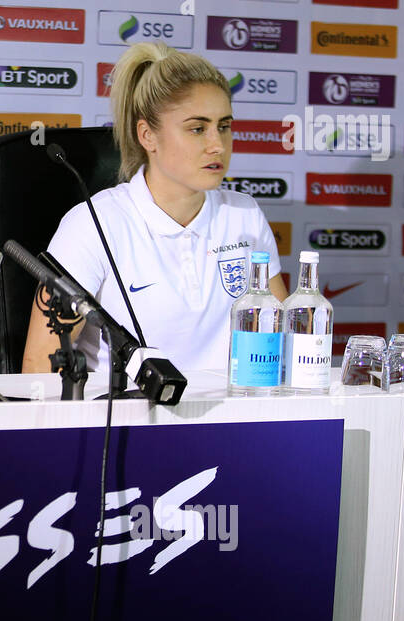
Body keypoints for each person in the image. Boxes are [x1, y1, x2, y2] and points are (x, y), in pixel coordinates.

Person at [22, 42, 286, 377]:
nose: (217, 145)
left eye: (224, 126)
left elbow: (281, 339)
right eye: (197, 128)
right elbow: (39, 367)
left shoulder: (244, 214)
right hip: (124, 422)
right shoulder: (92, 224)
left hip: (234, 418)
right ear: (148, 135)